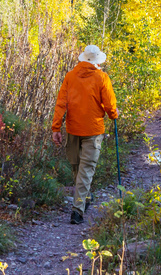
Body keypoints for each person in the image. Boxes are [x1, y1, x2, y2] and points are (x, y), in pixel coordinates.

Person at [51, 44, 119, 224]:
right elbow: (110, 105)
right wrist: (114, 115)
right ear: (97, 61)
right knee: (84, 169)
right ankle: (81, 204)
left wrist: (56, 128)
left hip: (72, 129)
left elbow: (60, 104)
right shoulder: (102, 78)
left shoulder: (70, 76)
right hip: (93, 130)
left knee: (78, 167)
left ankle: (79, 206)